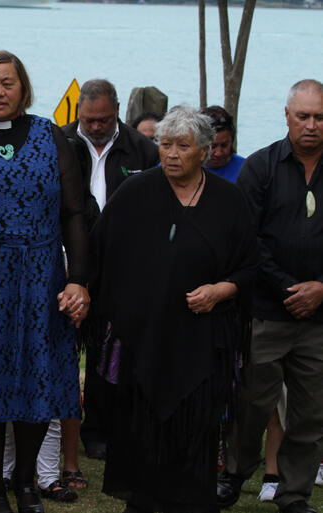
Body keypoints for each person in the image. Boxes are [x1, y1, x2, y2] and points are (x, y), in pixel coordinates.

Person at [92, 106, 257, 513]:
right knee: (142, 433)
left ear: (203, 151)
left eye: (183, 146)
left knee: (195, 432)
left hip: (203, 341)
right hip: (144, 339)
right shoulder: (136, 192)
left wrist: (221, 290)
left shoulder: (229, 201)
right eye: (165, 144)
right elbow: (101, 251)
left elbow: (252, 266)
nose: (171, 153)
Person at [0, 50, 89, 513]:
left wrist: (79, 279)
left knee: (40, 377)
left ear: (23, 88)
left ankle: (27, 482)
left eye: (7, 83)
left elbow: (74, 212)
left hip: (42, 274)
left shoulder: (50, 135)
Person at [217, 79, 323, 513]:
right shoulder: (260, 167)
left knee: (311, 413)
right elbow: (247, 241)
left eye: (320, 117)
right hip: (264, 311)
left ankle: (294, 493)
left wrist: (320, 290)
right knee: (251, 406)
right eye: (304, 116)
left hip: (318, 319)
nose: (312, 125)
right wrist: (288, 288)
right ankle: (234, 474)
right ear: (286, 116)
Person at [61, 78, 159, 461]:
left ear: (116, 111)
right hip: (73, 260)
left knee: (113, 350)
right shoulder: (62, 141)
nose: (96, 127)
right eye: (89, 120)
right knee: (67, 346)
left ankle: (102, 429)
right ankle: (60, 430)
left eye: (103, 120)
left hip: (124, 265)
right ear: (79, 114)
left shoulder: (142, 149)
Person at [201, 105, 245, 182]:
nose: (218, 153)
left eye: (224, 146)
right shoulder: (186, 170)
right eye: (213, 146)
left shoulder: (246, 169)